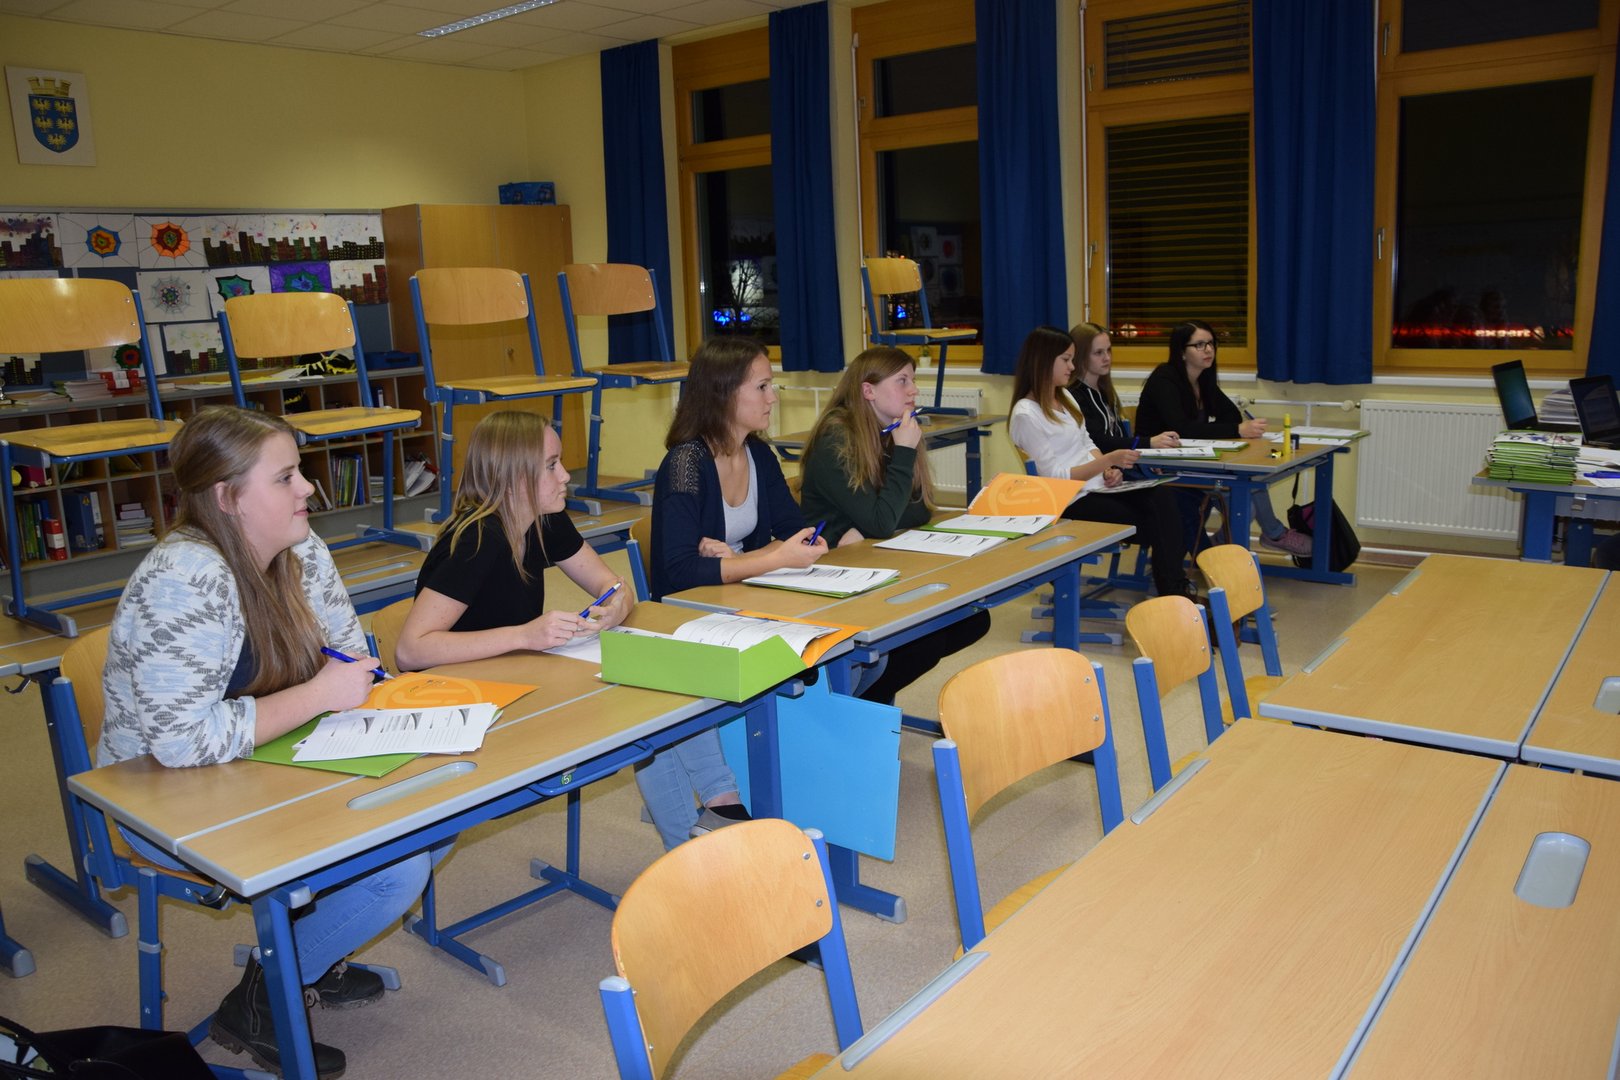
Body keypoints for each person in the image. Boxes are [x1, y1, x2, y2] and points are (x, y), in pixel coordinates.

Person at [100, 406, 430, 1080]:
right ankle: (262, 998)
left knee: (434, 807)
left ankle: (302, 955)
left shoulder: (301, 549)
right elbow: (179, 742)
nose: (308, 488)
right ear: (228, 498)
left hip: (269, 757)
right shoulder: (183, 577)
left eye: (300, 472)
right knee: (397, 869)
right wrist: (320, 696)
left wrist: (365, 691)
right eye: (285, 478)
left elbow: (347, 650)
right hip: (165, 794)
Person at [648, 336, 826, 848]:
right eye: (763, 387)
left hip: (739, 604)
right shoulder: (685, 463)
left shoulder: (759, 455)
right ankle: (704, 826)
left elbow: (794, 531)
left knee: (827, 652)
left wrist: (745, 557)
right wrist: (762, 558)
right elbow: (679, 571)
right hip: (684, 620)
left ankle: (717, 814)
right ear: (726, 392)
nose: (773, 397)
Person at [798, 346, 990, 703]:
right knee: (925, 644)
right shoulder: (835, 438)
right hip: (833, 573)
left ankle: (872, 697)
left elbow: (919, 510)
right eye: (902, 381)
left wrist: (868, 525)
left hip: (872, 559)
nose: (913, 390)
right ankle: (863, 704)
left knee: (973, 619)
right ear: (868, 390)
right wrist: (903, 454)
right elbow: (884, 520)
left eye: (913, 380)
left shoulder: (891, 429)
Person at [1008, 326, 1202, 603]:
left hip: (1097, 487)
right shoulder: (1027, 414)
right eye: (1066, 359)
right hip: (1071, 500)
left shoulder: (1064, 397)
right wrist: (1108, 460)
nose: (1072, 366)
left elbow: (1086, 443)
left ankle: (1175, 591)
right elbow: (1055, 478)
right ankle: (1175, 595)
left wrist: (1107, 468)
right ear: (1043, 361)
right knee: (1161, 523)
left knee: (1163, 497)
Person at [1132, 320, 1313, 557]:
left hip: (1189, 459)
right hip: (1159, 464)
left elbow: (1230, 415)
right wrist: (1236, 430)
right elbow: (1182, 428)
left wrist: (1231, 428)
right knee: (1246, 499)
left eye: (1211, 343)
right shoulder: (1164, 379)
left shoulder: (1202, 378)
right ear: (1181, 352)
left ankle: (1229, 544)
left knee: (1250, 484)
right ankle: (1268, 536)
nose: (1208, 350)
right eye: (1199, 345)